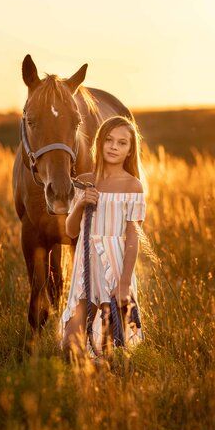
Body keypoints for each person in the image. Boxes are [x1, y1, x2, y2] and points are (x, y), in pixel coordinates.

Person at [59, 115, 147, 360]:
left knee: (109, 346)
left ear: (130, 150)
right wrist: (80, 205)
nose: (114, 147)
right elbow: (71, 231)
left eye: (122, 143)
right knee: (71, 344)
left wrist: (124, 283)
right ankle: (80, 380)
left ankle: (106, 387)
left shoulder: (133, 186)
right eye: (109, 140)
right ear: (99, 142)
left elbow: (132, 236)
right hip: (86, 265)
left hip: (116, 264)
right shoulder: (86, 181)